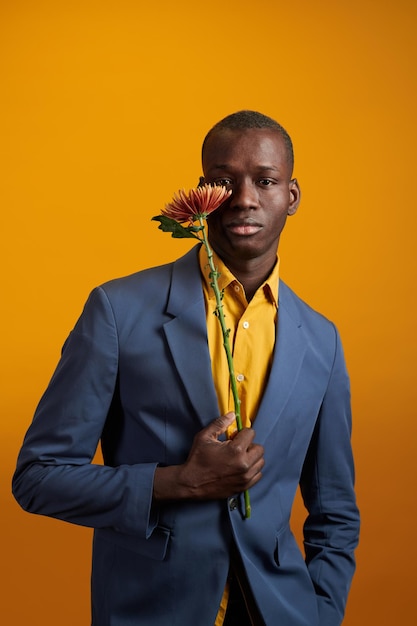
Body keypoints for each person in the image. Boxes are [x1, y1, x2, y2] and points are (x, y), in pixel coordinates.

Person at [13, 110, 360, 626]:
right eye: (224, 181)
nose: (244, 198)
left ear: (291, 196)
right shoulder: (117, 311)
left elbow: (334, 512)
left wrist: (321, 613)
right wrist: (176, 482)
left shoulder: (322, 340)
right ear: (204, 193)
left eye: (265, 181)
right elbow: (39, 478)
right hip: (150, 609)